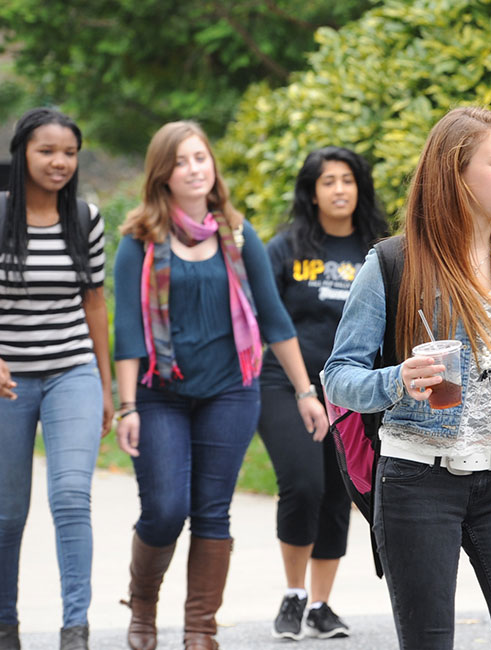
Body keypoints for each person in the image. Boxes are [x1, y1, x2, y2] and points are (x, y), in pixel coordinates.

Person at [323, 106, 491, 649]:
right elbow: (337, 377)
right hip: (418, 481)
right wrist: (398, 379)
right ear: (455, 171)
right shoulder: (393, 263)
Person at [112, 121, 327, 650]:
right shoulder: (138, 240)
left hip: (231, 391)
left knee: (212, 509)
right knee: (164, 510)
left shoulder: (235, 233)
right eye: (182, 161)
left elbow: (275, 319)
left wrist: (304, 392)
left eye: (201, 158)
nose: (194, 168)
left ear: (212, 167)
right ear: (163, 174)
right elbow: (128, 333)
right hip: (159, 393)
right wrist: (127, 406)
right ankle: (143, 606)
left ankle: (199, 631)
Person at [258, 146, 388, 640]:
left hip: (352, 390)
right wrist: (299, 387)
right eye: (328, 180)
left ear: (360, 188)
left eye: (347, 180)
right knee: (303, 483)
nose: (339, 189)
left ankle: (320, 604)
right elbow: (265, 319)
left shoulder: (377, 249)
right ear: (311, 191)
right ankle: (293, 594)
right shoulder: (286, 248)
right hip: (284, 385)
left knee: (340, 491)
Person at [0, 107, 111, 650]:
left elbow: (94, 303)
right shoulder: (0, 217)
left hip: (73, 372)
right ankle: (4, 624)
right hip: (7, 379)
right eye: (47, 151)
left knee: (71, 496)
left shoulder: (86, 218)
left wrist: (107, 388)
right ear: (23, 152)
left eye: (68, 152)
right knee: (5, 511)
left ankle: (75, 629)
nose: (59, 162)